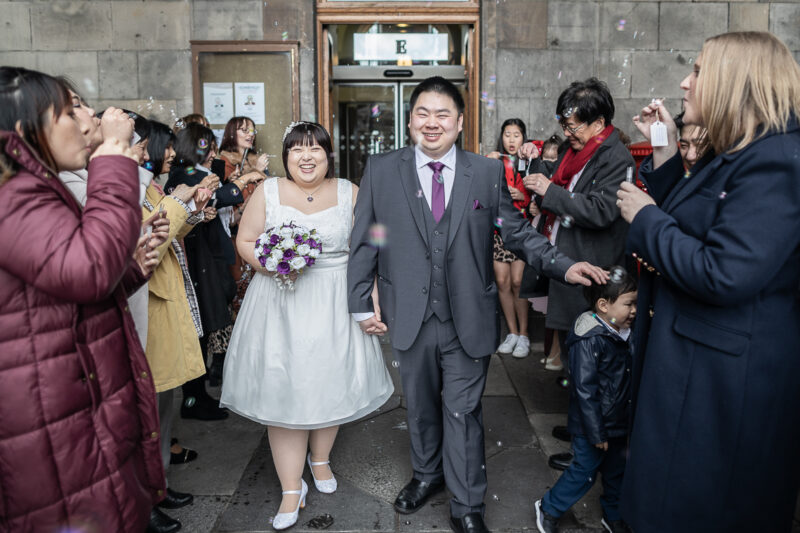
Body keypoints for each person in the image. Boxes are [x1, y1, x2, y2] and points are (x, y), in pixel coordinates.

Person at [347, 76, 607, 533]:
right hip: (407, 310)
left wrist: (564, 266)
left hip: (467, 314)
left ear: (460, 121)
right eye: (423, 113)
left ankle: (467, 503)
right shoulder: (382, 170)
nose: (432, 123)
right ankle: (427, 475)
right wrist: (359, 302)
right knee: (422, 405)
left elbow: (518, 232)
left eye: (442, 114)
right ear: (410, 120)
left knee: (462, 410)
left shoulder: (484, 173)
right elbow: (369, 237)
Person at [615, 31, 800, 532]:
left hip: (721, 390)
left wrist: (646, 217)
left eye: (696, 71)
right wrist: (665, 149)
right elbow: (695, 214)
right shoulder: (736, 153)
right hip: (693, 372)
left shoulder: (777, 161)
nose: (684, 82)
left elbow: (726, 271)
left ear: (734, 82)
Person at [0, 66, 168, 532]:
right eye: (70, 108)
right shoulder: (13, 193)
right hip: (44, 403)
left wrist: (130, 267)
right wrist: (114, 156)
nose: (88, 116)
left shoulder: (33, 187)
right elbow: (87, 270)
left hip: (61, 390)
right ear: (24, 127)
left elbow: (60, 290)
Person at [220, 121, 393, 530]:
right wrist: (275, 264)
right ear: (286, 157)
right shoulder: (269, 191)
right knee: (284, 390)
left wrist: (373, 300)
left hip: (334, 301)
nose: (307, 156)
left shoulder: (350, 191)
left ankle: (320, 460)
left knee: (328, 379)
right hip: (279, 302)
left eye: (316, 148)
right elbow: (245, 241)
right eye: (298, 150)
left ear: (328, 154)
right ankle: (290, 490)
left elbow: (370, 248)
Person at [142, 120, 216, 533]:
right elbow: (150, 234)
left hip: (168, 292)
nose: (171, 154)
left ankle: (160, 485)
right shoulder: (129, 187)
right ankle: (146, 498)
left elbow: (170, 230)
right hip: (152, 298)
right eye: (165, 147)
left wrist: (193, 210)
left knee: (162, 407)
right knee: (149, 410)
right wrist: (181, 199)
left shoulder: (151, 184)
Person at [534, 267, 636, 533]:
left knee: (616, 472)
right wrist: (595, 431)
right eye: (629, 304)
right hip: (593, 424)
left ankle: (612, 515)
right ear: (604, 305)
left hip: (618, 420)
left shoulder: (624, 333)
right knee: (585, 471)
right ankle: (549, 506)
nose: (635, 310)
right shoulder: (589, 339)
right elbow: (585, 391)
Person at [167, 123, 248, 420]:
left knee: (204, 328)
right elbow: (221, 196)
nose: (212, 151)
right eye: (207, 146)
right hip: (199, 261)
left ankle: (199, 394)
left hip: (206, 260)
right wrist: (247, 178)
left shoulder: (196, 172)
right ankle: (194, 397)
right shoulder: (184, 177)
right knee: (199, 329)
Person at [486, 118, 533, 358]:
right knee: (502, 282)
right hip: (497, 232)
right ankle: (512, 333)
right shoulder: (495, 162)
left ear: (524, 138)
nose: (512, 140)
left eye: (517, 134)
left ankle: (524, 335)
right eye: (507, 134)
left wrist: (521, 196)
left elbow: (538, 199)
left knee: (518, 282)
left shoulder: (529, 162)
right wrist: (485, 163)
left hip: (520, 230)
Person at [217, 115, 270, 324]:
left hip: (259, 232)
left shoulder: (254, 159)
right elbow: (227, 201)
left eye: (252, 130)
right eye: (243, 130)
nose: (250, 134)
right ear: (231, 133)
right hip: (235, 234)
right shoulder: (224, 163)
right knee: (239, 291)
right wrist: (254, 173)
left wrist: (260, 171)